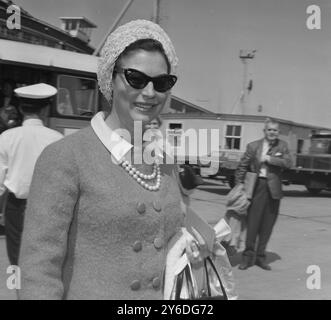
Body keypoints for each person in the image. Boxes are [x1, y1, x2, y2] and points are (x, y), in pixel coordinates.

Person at [18, 19, 216, 300]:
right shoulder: (65, 157)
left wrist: (194, 246)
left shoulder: (165, 163)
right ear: (110, 78)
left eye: (161, 83)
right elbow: (39, 273)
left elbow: (167, 237)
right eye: (136, 78)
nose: (149, 93)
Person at [0, 83, 63, 266]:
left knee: (17, 261)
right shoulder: (56, 139)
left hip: (15, 207)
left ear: (20, 108)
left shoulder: (6, 138)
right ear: (45, 109)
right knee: (43, 261)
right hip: (47, 207)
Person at [235, 118, 292, 270]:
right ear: (264, 131)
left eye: (275, 130)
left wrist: (270, 159)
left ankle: (260, 257)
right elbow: (242, 167)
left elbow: (288, 163)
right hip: (256, 186)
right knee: (252, 223)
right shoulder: (253, 146)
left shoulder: (283, 146)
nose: (272, 132)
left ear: (278, 132)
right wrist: (239, 186)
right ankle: (247, 258)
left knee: (268, 225)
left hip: (274, 190)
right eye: (269, 130)